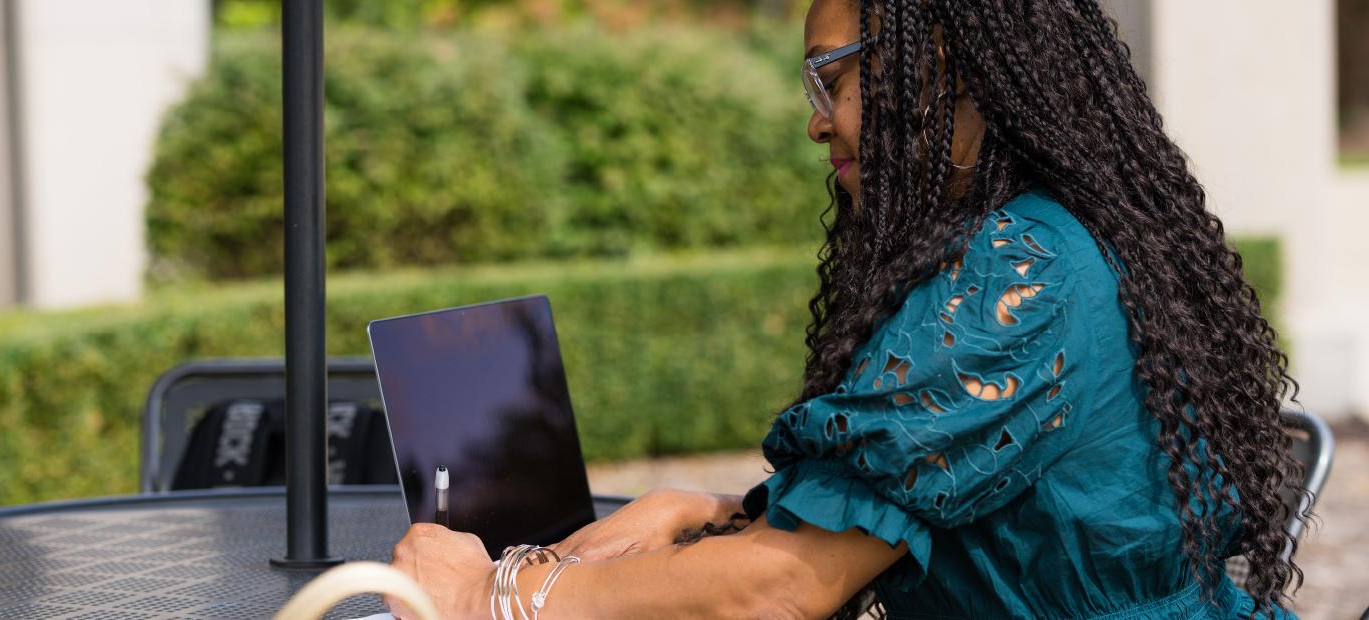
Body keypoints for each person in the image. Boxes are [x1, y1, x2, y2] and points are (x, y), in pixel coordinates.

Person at [385, 0, 1307, 617]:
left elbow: (783, 590)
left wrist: (495, 592)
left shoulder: (1014, 274)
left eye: (834, 76)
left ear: (944, 57)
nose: (815, 121)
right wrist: (711, 509)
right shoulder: (1072, 232)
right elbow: (954, 508)